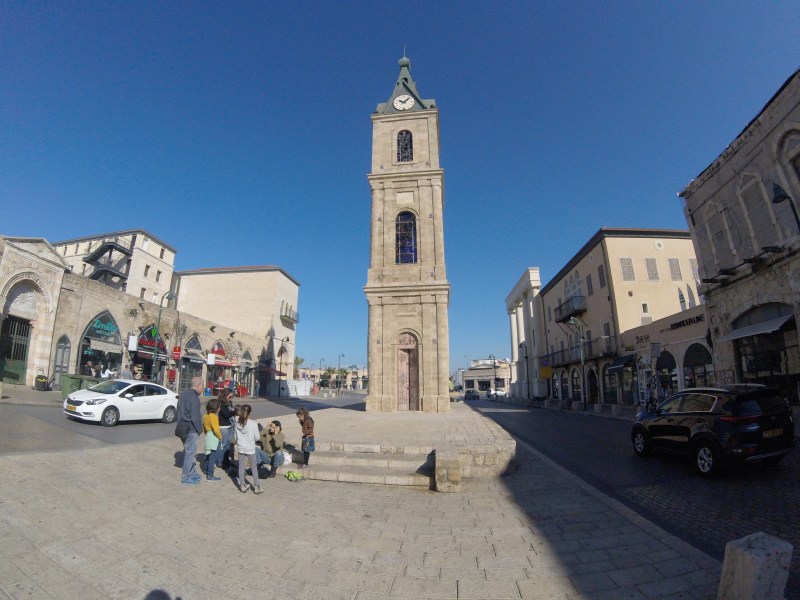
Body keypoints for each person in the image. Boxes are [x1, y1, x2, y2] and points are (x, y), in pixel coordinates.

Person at [177, 376, 204, 485]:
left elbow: (178, 410)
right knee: (190, 454)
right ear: (198, 386)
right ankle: (186, 477)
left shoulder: (183, 394)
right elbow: (195, 417)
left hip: (182, 427)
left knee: (190, 452)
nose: (203, 388)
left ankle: (192, 473)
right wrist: (200, 429)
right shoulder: (194, 398)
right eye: (203, 386)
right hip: (191, 429)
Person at [234, 404, 263, 494]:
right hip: (250, 448)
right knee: (253, 467)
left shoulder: (237, 423)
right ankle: (257, 486)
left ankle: (242, 485)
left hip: (241, 447)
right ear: (250, 413)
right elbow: (257, 438)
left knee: (241, 466)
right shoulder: (253, 424)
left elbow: (235, 437)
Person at [202, 398, 223, 481]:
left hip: (208, 435)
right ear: (215, 408)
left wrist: (206, 433)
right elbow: (216, 429)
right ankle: (210, 475)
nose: (220, 408)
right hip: (213, 437)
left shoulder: (205, 415)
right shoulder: (214, 416)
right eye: (219, 407)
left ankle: (205, 470)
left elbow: (204, 427)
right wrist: (220, 437)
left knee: (208, 454)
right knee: (212, 457)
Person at [216, 389, 236, 470]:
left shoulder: (228, 403)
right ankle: (220, 461)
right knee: (223, 445)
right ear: (225, 395)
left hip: (229, 425)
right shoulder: (221, 403)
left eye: (231, 397)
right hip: (223, 426)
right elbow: (226, 414)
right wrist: (235, 412)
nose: (230, 398)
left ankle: (226, 460)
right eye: (229, 396)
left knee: (228, 444)